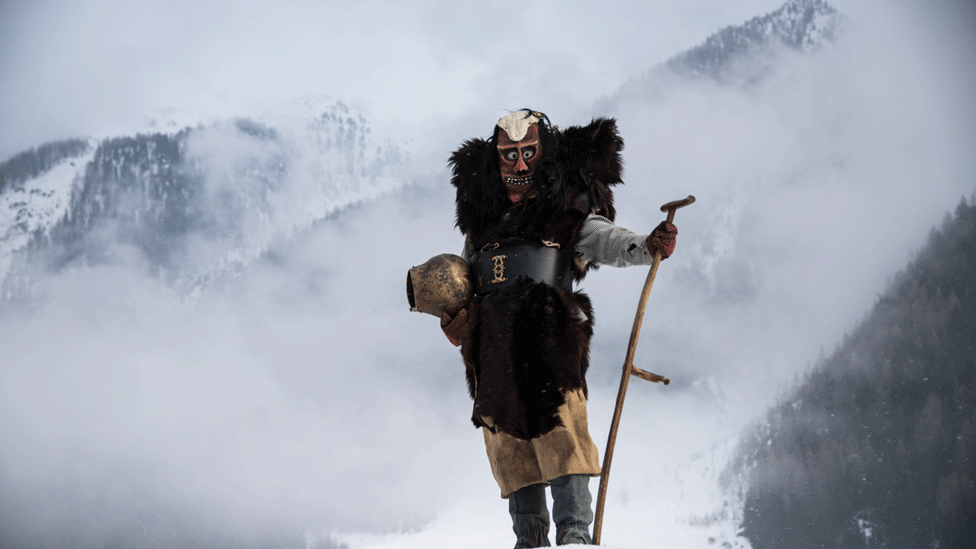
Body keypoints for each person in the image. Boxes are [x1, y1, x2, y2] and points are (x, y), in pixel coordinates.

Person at [440, 110, 677, 547]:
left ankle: (574, 533)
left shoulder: (565, 213)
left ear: (543, 156)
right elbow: (468, 281)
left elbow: (606, 240)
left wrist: (645, 245)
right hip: (493, 340)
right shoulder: (482, 226)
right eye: (507, 154)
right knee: (506, 438)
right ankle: (529, 536)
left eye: (527, 152)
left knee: (562, 426)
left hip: (550, 331)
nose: (517, 164)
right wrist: (456, 316)